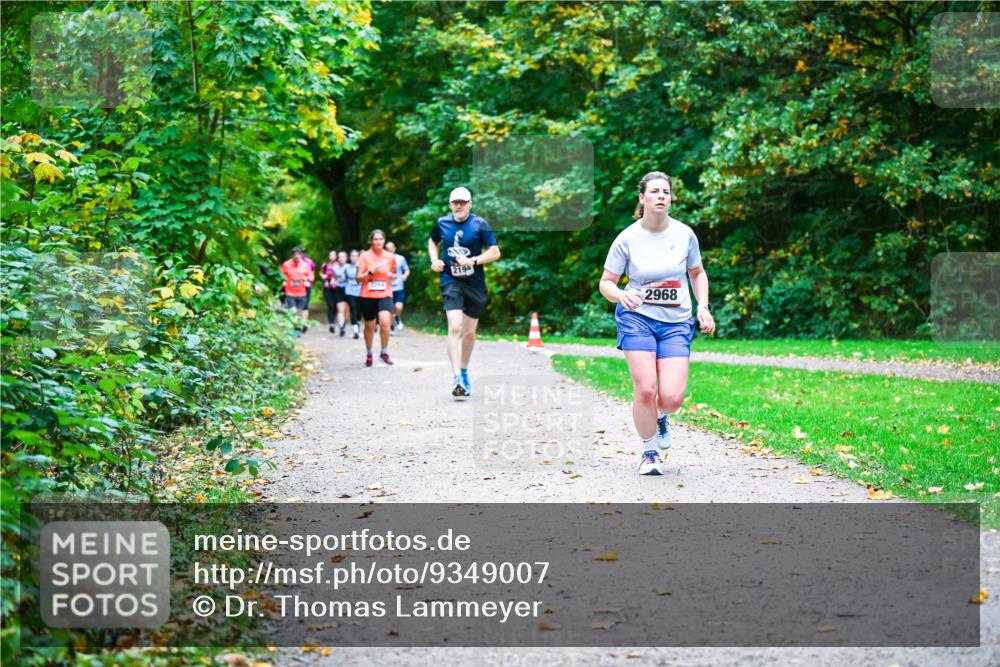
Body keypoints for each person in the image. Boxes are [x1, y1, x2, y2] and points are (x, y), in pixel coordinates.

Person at [598, 171, 715, 475]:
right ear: (642, 198)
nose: (661, 196)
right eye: (654, 191)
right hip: (637, 319)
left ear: (670, 198)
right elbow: (606, 283)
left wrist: (703, 306)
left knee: (672, 398)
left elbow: (697, 273)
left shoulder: (685, 235)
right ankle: (649, 452)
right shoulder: (627, 238)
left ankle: (662, 416)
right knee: (646, 388)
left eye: (666, 191)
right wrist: (622, 295)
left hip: (676, 322)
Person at [428, 186, 500, 398]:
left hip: (474, 283)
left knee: (469, 332)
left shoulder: (480, 224)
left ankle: (465, 371)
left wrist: (473, 260)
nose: (458, 206)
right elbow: (433, 241)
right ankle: (457, 378)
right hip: (451, 280)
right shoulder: (442, 223)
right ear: (450, 204)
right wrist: (434, 260)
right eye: (455, 202)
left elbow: (495, 252)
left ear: (470, 204)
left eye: (462, 202)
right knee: (455, 326)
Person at [356, 230, 397, 367]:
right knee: (369, 326)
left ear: (384, 241)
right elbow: (358, 279)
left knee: (385, 321)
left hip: (385, 293)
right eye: (375, 239)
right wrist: (369, 272)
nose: (378, 242)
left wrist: (392, 276)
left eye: (380, 239)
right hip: (367, 294)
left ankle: (384, 352)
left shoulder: (390, 257)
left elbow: (394, 273)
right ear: (371, 241)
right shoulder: (364, 257)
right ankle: (369, 353)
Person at [280, 247, 314, 335]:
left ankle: (298, 328)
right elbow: (281, 275)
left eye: (299, 255)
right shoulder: (286, 264)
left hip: (302, 293)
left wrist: (307, 279)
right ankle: (296, 329)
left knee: (299, 312)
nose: (297, 257)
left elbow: (311, 276)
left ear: (301, 256)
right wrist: (283, 281)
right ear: (292, 256)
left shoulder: (305, 265)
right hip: (290, 292)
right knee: (293, 311)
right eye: (295, 255)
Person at [385, 241, 411, 331]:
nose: (390, 250)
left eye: (391, 248)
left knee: (398, 307)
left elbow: (407, 270)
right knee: (390, 309)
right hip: (388, 288)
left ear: (395, 248)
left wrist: (405, 276)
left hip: (399, 287)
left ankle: (397, 317)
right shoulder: (383, 260)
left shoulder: (401, 258)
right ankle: (392, 327)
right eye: (388, 249)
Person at [345, 249, 362, 339]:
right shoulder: (346, 267)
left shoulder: (363, 266)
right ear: (350, 257)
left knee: (359, 311)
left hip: (360, 292)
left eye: (356, 256)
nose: (354, 258)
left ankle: (358, 327)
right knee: (353, 309)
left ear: (359, 257)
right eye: (352, 256)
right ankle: (355, 331)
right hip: (350, 291)